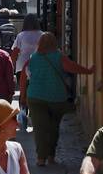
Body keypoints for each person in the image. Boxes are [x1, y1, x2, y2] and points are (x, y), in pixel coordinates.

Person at [19, 33, 93, 166]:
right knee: (53, 128)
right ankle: (51, 156)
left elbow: (23, 79)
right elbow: (73, 67)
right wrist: (88, 71)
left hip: (35, 98)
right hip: (57, 98)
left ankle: (41, 158)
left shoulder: (32, 59)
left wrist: (22, 96)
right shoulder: (59, 57)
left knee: (40, 128)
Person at [11, 12, 42, 130]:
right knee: (36, 91)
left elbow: (14, 53)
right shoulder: (42, 35)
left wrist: (10, 66)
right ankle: (34, 115)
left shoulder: (21, 36)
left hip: (21, 67)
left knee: (23, 91)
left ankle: (23, 115)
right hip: (38, 66)